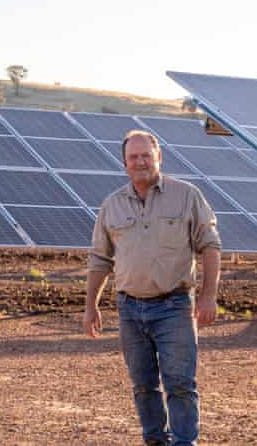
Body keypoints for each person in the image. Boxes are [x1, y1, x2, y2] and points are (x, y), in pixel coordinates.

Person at [84, 129, 222, 446]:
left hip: (175, 306)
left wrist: (208, 296)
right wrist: (91, 306)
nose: (140, 161)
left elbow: (211, 247)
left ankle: (185, 442)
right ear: (124, 164)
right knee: (143, 384)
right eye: (133, 157)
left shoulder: (187, 195)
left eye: (146, 155)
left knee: (180, 383)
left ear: (159, 157)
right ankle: (155, 440)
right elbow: (99, 260)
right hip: (130, 309)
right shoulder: (112, 205)